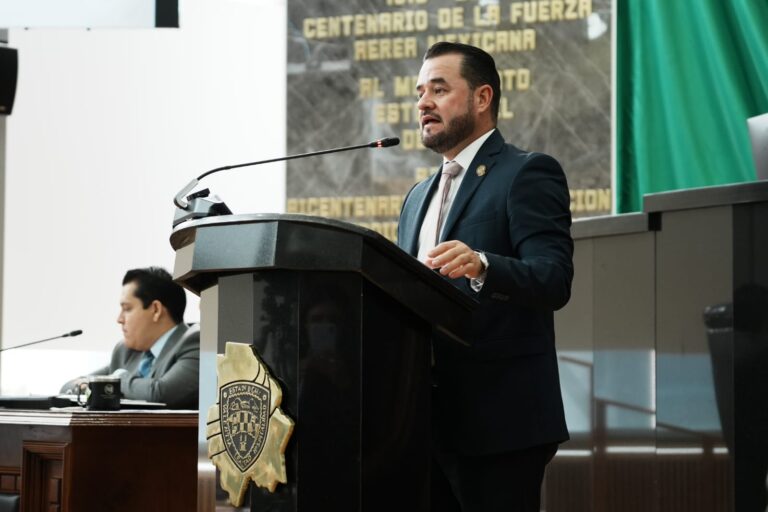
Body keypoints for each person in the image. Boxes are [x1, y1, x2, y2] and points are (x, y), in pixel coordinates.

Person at [397, 42, 574, 511]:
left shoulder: (526, 173)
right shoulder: (417, 197)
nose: (423, 103)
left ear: (482, 98)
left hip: (501, 422)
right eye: (419, 92)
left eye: (439, 89)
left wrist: (485, 265)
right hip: (422, 424)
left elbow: (553, 279)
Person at [61, 267, 199, 409]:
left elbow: (161, 394)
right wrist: (88, 386)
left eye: (127, 309)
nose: (119, 319)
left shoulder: (195, 343)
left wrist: (117, 379)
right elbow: (68, 388)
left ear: (156, 310)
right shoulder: (127, 351)